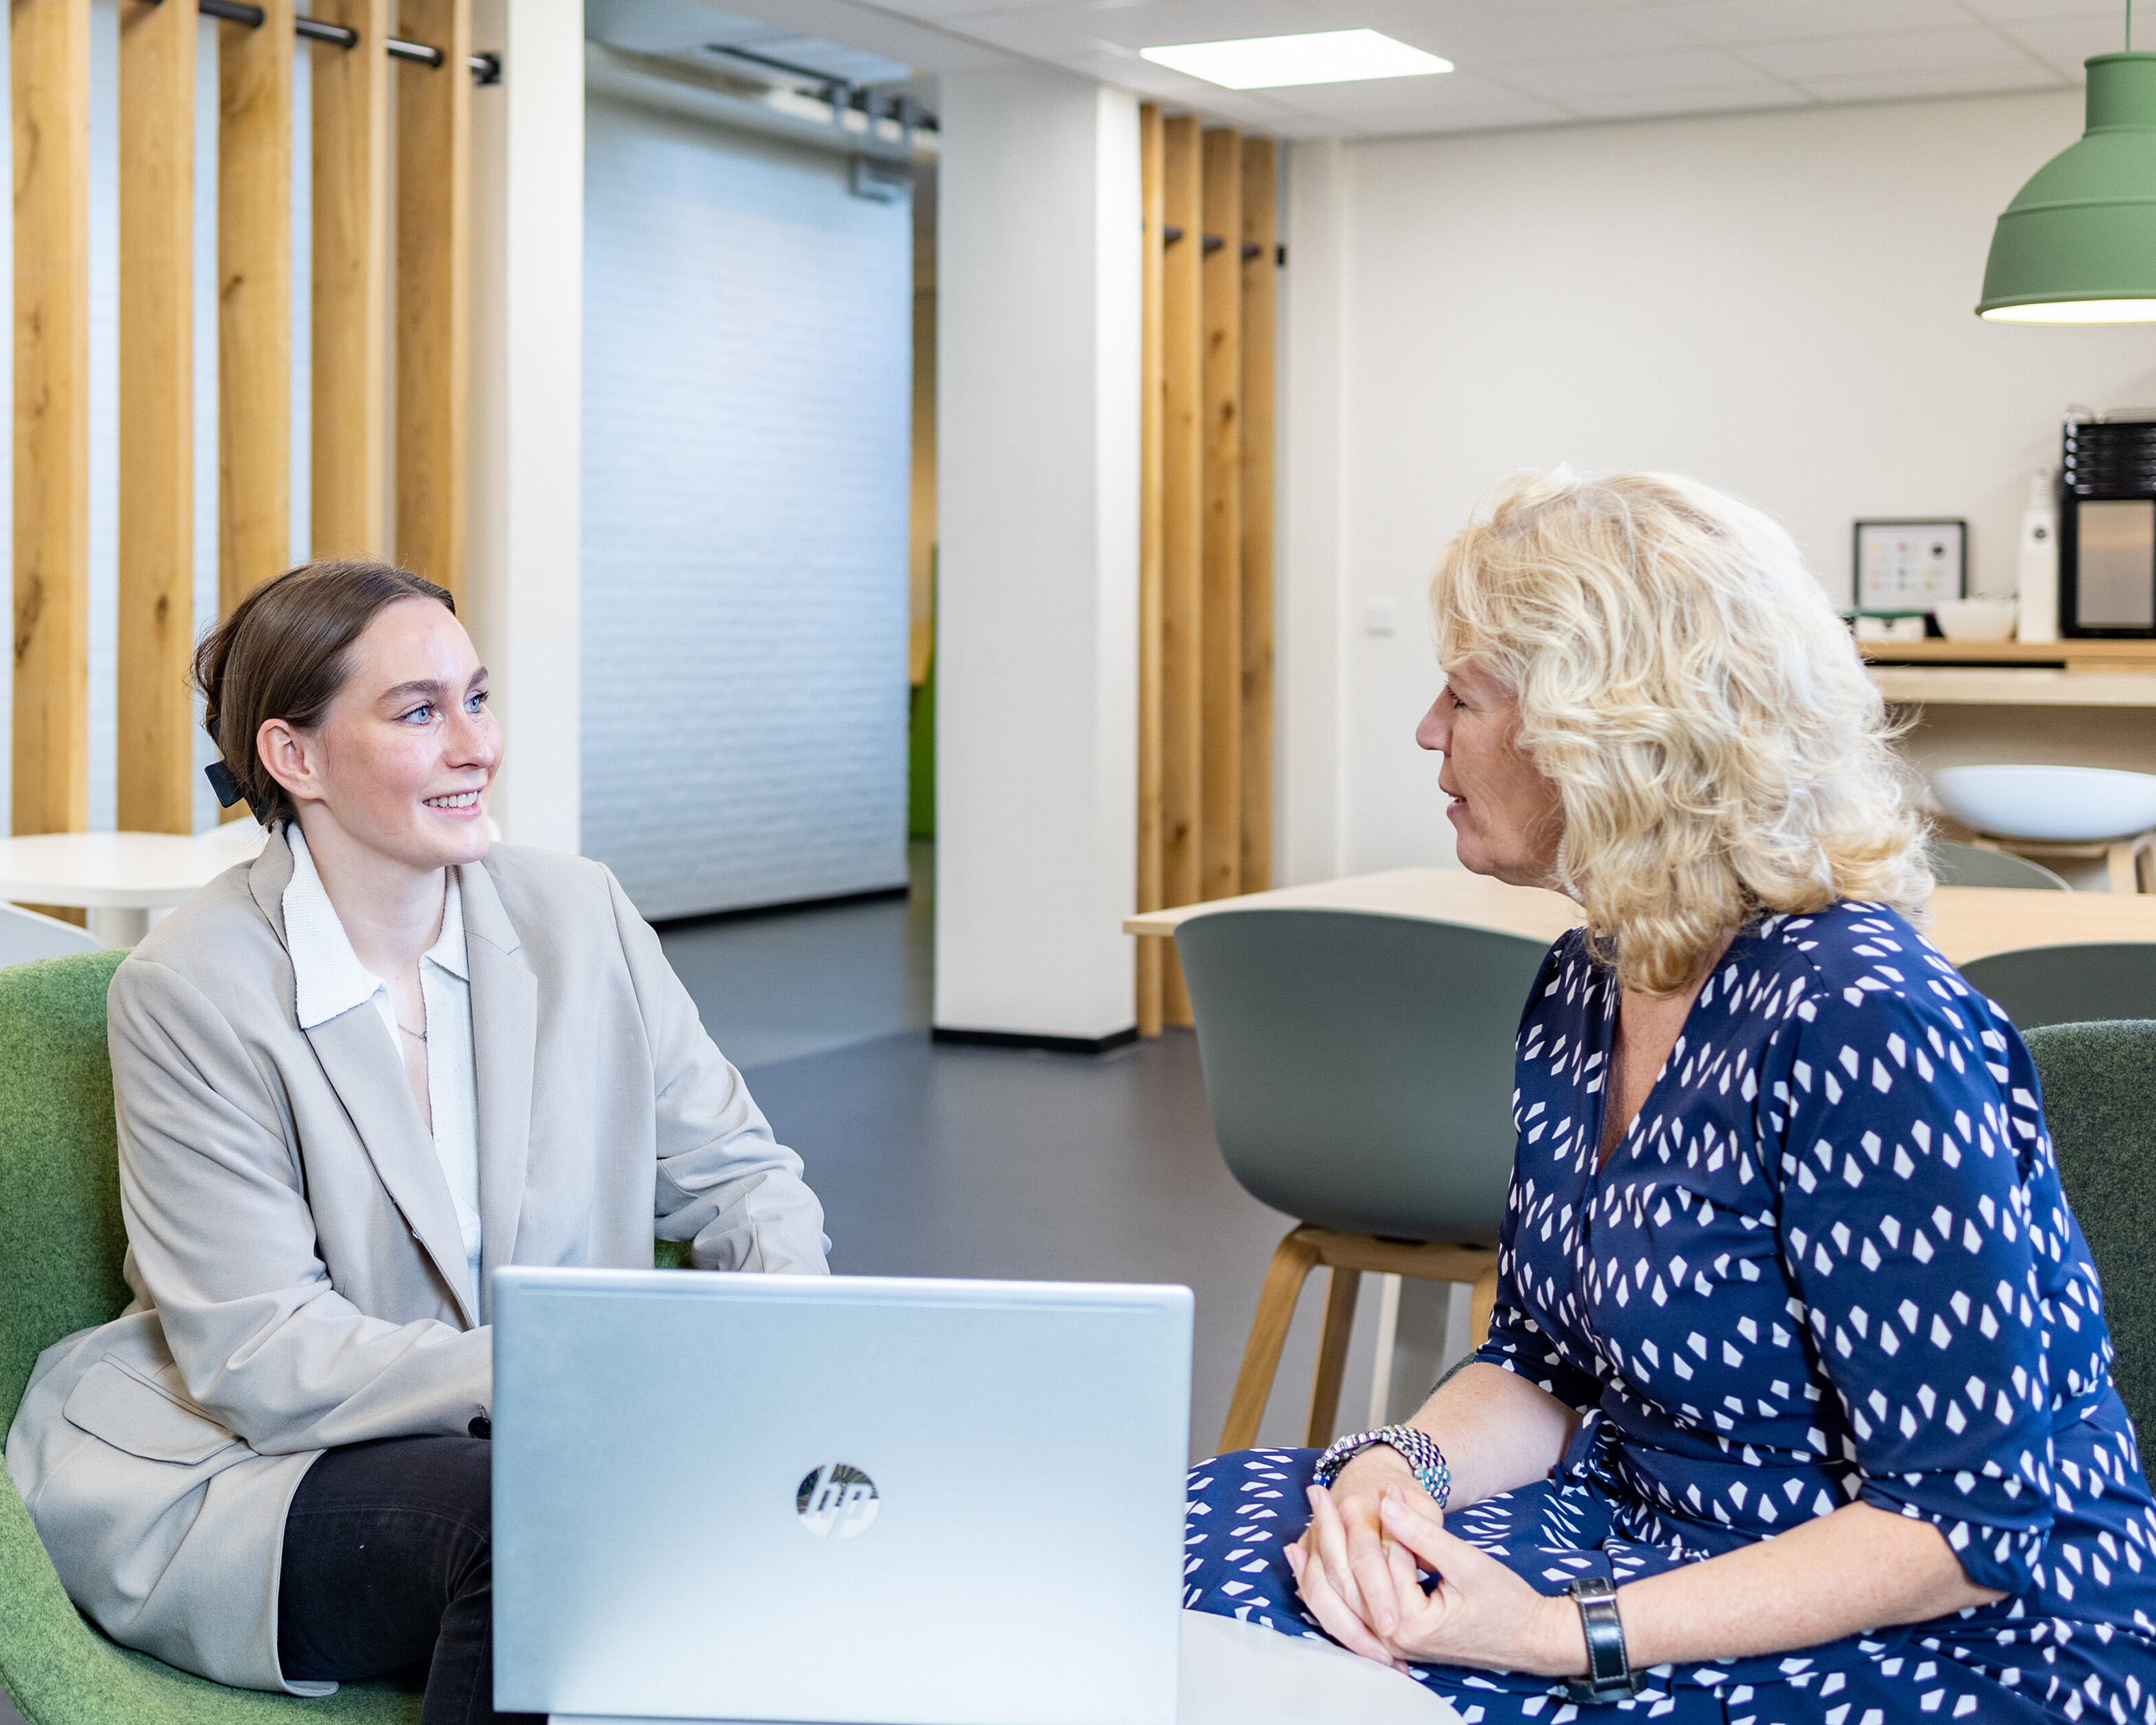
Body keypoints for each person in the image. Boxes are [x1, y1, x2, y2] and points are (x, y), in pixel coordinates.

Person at [1183, 471, 2156, 1722]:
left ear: (1607, 733)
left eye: (1465, 696)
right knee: (1208, 1538)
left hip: (1963, 1633)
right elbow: (1541, 1366)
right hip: (1651, 1531)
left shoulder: (1861, 1017)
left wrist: (1546, 1631)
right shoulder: (1587, 985)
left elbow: (1963, 1532)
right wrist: (1398, 1468)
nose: (1429, 732)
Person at [6, 561, 829, 1725]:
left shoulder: (577, 914)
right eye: (420, 712)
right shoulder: (192, 988)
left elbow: (742, 1180)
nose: (476, 746)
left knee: (812, 1515)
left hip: (553, 1444)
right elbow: (261, 1356)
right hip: (250, 1471)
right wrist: (580, 1370)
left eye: (478, 699)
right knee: (547, 1516)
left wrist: (795, 1351)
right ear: (294, 758)